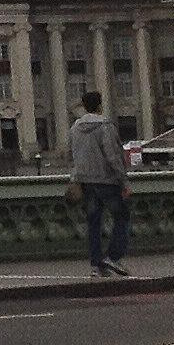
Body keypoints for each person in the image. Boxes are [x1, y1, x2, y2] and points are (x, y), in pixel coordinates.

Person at [68, 88, 131, 277]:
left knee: (93, 223)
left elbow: (73, 156)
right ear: (100, 105)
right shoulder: (105, 126)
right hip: (106, 181)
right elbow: (112, 156)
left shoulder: (75, 128)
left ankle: (96, 265)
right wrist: (124, 181)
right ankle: (113, 256)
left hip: (85, 181)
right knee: (122, 217)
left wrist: (75, 179)